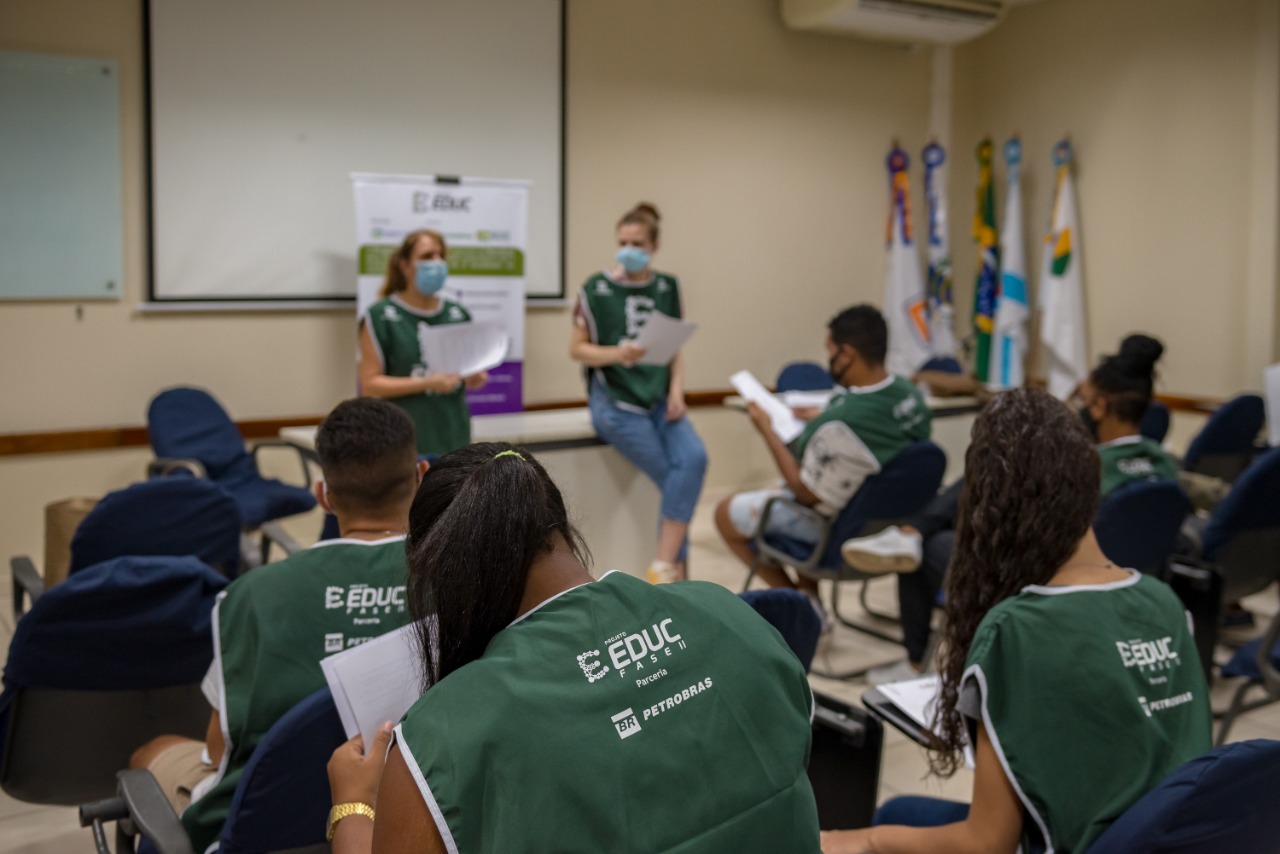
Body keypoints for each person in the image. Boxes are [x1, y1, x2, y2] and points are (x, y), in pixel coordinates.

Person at [325, 443, 819, 853]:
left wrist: (352, 805)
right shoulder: (725, 612)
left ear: (443, 580)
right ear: (560, 527)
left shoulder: (441, 737)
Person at [821, 388, 1211, 854]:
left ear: (993, 509)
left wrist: (867, 840)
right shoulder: (1164, 602)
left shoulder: (1016, 630)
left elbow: (988, 843)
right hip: (1166, 840)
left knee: (891, 819)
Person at [129, 398, 424, 853]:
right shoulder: (463, 579)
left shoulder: (247, 597)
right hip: (422, 820)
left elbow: (217, 752)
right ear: (421, 477)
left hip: (263, 833)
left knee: (153, 752)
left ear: (323, 495)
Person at [846, 333, 1179, 684]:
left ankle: (915, 660)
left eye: (1081, 396)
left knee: (938, 541)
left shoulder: (1086, 469)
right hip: (1129, 586)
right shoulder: (1166, 465)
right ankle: (914, 531)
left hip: (1050, 583)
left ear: (1099, 405)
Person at [715, 304, 931, 611]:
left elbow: (806, 493)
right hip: (895, 520)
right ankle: (809, 598)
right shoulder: (910, 395)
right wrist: (824, 414)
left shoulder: (839, 423)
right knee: (786, 496)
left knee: (726, 513)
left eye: (829, 351)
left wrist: (766, 429)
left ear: (846, 353)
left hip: (840, 533)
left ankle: (805, 607)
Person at [570, 202, 708, 584]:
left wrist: (678, 391)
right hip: (616, 402)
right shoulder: (596, 288)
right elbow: (576, 349)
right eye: (622, 242)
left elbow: (674, 344)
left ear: (654, 245)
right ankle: (673, 573)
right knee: (674, 481)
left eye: (637, 242)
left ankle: (664, 567)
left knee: (694, 459)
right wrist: (618, 353)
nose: (628, 249)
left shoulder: (667, 286)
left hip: (661, 399)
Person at [360, 228, 488, 457]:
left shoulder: (457, 314)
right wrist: (428, 383)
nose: (437, 263)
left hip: (454, 437)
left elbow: (470, 375)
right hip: (404, 443)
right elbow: (370, 384)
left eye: (440, 256)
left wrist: (474, 377)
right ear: (406, 265)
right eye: (427, 257)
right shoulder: (380, 316)